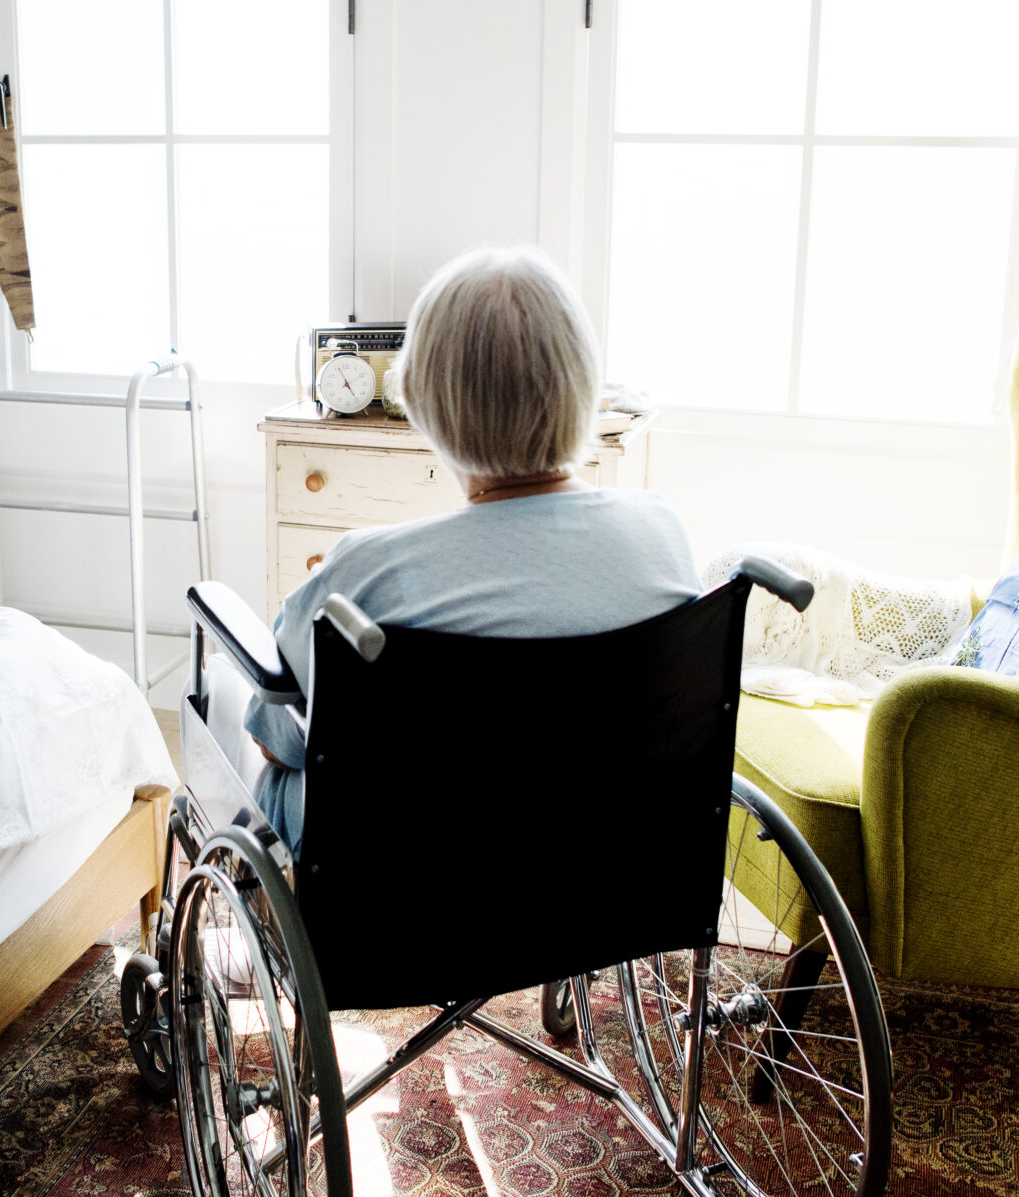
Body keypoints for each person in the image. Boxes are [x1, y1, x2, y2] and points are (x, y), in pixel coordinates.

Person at [209, 246, 700, 853]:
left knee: (222, 689)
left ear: (421, 399)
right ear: (583, 387)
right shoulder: (662, 535)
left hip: (410, 871)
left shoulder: (364, 574)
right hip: (606, 856)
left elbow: (275, 736)